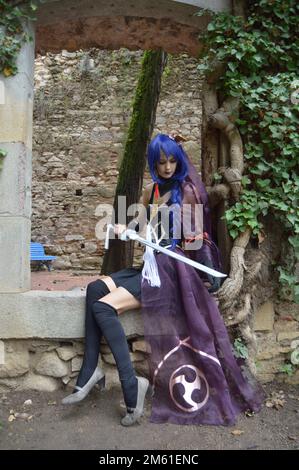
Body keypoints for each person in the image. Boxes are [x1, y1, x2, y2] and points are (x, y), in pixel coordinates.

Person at [62, 133, 264, 426]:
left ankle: (133, 388)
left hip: (171, 272)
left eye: (171, 160)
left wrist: (207, 271)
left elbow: (198, 240)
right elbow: (138, 226)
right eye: (161, 162)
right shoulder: (150, 192)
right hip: (150, 265)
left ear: (178, 160)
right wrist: (125, 227)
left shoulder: (188, 191)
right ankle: (90, 370)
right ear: (153, 163)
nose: (167, 167)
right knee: (95, 289)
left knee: (103, 307)